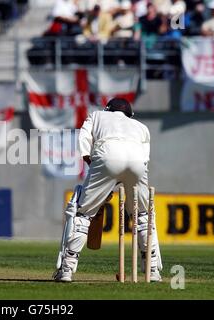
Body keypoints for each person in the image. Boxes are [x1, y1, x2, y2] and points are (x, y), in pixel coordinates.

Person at [53, 98, 162, 282]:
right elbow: (144, 160)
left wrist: (101, 179)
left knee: (82, 213)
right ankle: (153, 271)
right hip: (137, 163)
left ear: (107, 109)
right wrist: (117, 181)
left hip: (107, 155)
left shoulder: (97, 115)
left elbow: (85, 143)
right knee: (143, 215)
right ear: (130, 114)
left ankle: (66, 270)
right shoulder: (141, 126)